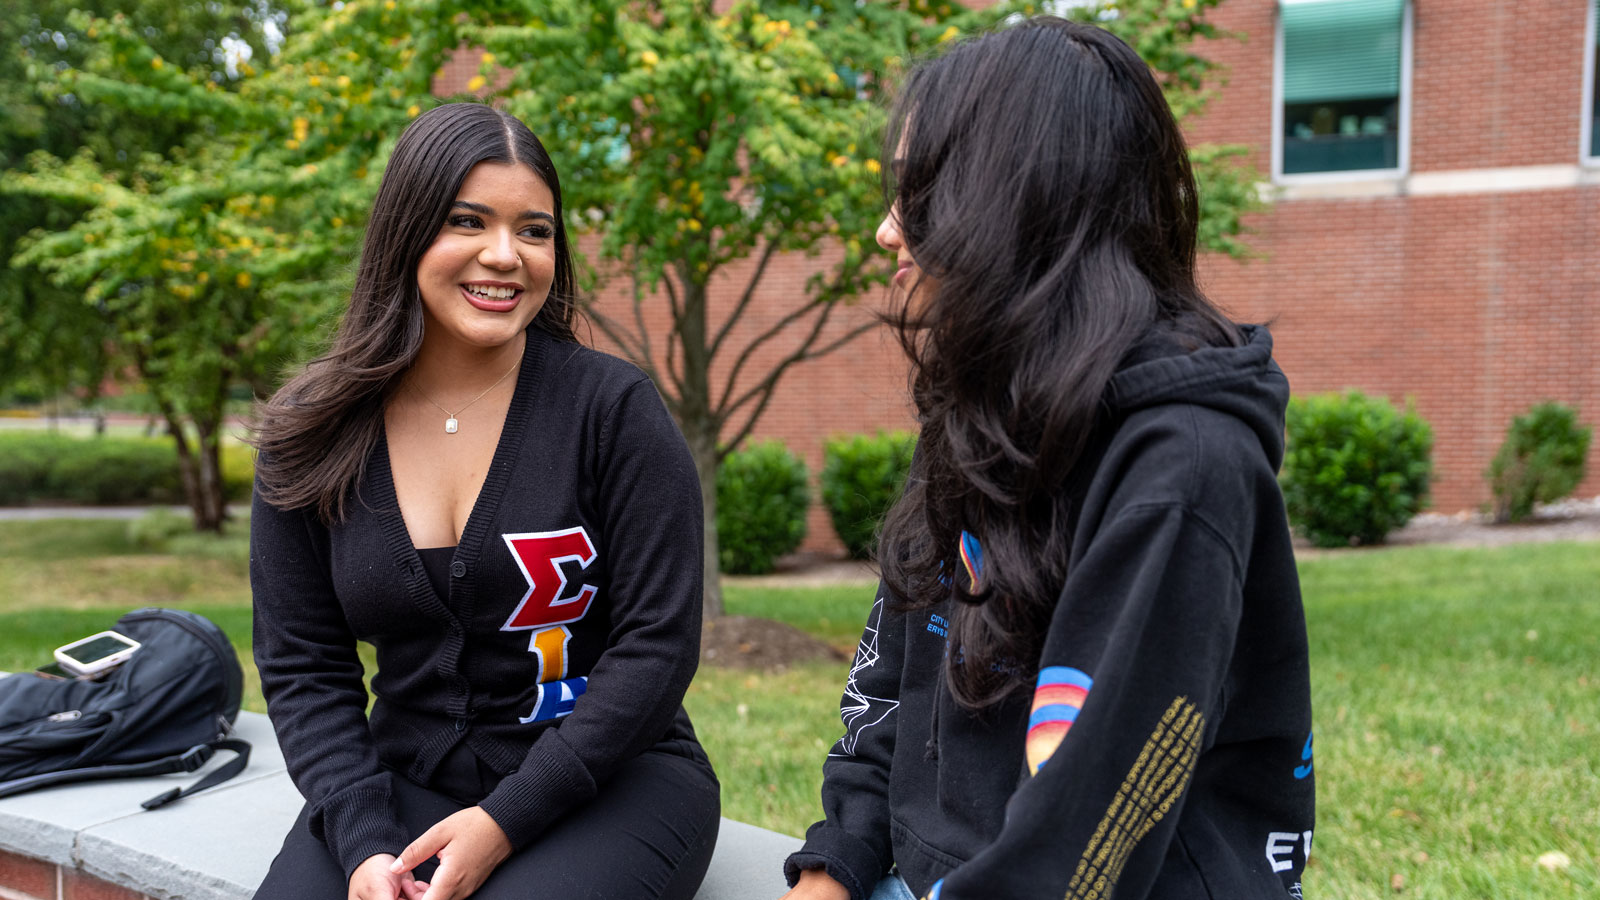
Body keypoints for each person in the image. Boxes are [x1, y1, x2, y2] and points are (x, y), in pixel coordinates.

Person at [780, 18, 1315, 900]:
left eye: (919, 196)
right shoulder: (984, 402)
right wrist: (835, 867)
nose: (885, 233)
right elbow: (892, 696)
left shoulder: (1182, 466)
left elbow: (1083, 853)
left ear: (1010, 208)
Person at [248, 102, 719, 900]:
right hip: (402, 785)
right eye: (468, 222)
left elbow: (657, 649)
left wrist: (503, 821)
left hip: (609, 780)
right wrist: (363, 844)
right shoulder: (313, 431)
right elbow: (304, 665)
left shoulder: (612, 412)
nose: (505, 256)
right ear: (407, 231)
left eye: (534, 231)